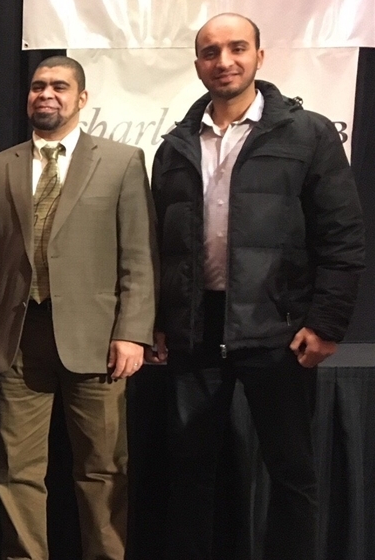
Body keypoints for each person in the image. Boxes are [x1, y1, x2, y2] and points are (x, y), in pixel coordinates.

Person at [150, 13, 365, 560]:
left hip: (280, 330)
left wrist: (326, 323)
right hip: (195, 330)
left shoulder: (309, 133)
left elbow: (342, 236)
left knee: (292, 474)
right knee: (190, 473)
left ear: (260, 57)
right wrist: (156, 322)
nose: (224, 61)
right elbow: (157, 247)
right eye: (210, 52)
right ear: (197, 64)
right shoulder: (174, 146)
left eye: (236, 48)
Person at [0, 56, 156, 560]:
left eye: (60, 86)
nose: (47, 94)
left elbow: (138, 254)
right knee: (16, 471)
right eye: (38, 86)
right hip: (16, 340)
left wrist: (133, 330)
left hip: (97, 342)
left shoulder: (122, 161)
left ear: (81, 98)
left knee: (103, 469)